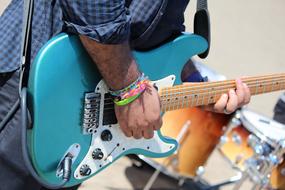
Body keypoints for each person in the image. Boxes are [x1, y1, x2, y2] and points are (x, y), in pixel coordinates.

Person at [0, 0, 251, 189]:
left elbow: (161, 23)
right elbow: (93, 6)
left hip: (91, 86)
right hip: (45, 77)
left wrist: (193, 82)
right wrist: (130, 90)